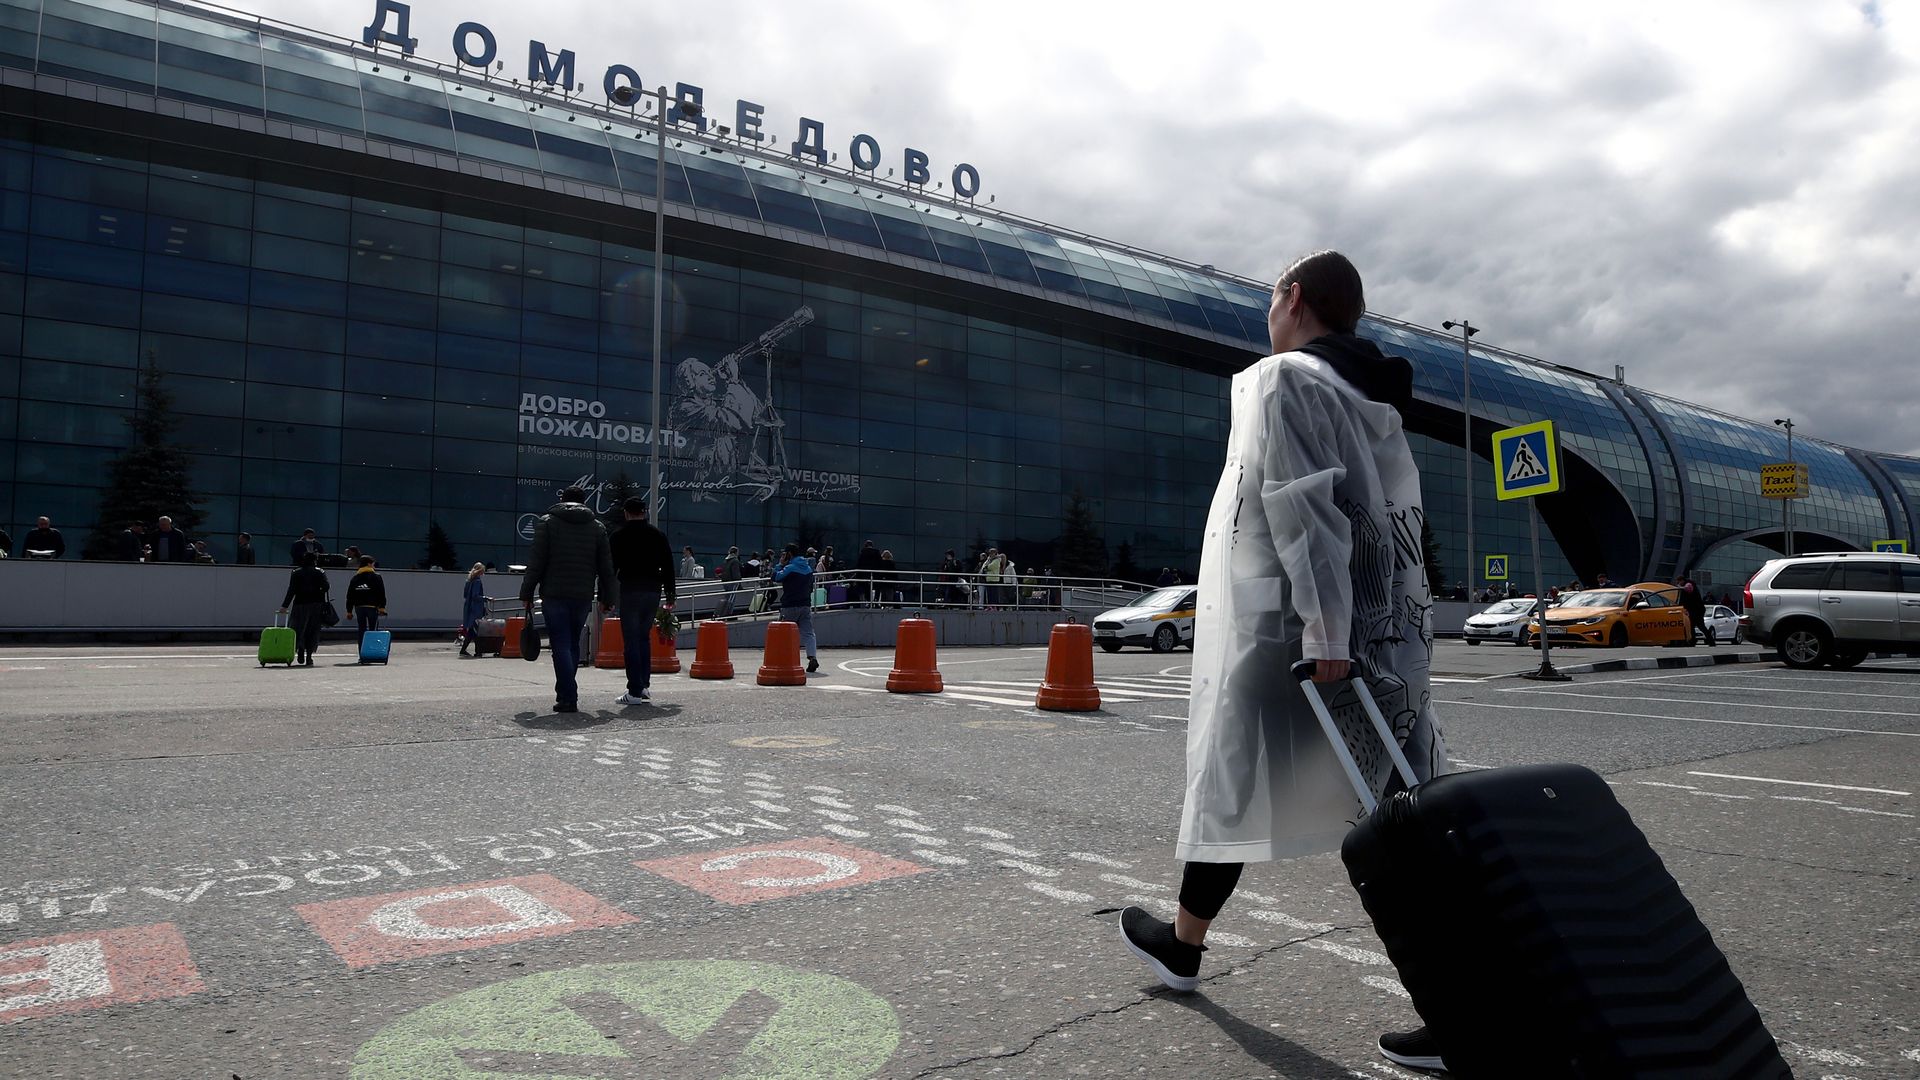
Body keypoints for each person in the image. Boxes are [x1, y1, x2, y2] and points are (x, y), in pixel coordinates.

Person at [1117, 250, 1451, 1071]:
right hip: (1374, 635)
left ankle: (1459, 1011)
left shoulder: (1288, 379)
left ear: (1294, 298)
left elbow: (1307, 511)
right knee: (1376, 803)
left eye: (1273, 298)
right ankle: (1185, 942)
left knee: (1372, 820)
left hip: (1298, 637)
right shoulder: (1371, 397)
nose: (1269, 314)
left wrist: (1326, 637)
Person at [518, 486, 615, 713]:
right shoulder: (597, 527)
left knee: (560, 644)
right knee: (572, 643)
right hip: (582, 594)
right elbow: (606, 567)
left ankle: (568, 696)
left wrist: (527, 593)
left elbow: (536, 562)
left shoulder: (547, 523)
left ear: (562, 499)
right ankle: (565, 693)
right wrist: (607, 596)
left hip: (554, 593)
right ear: (584, 502)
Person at [610, 498, 676, 705]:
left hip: (630, 589)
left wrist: (606, 596)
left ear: (626, 513)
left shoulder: (619, 536)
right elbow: (668, 565)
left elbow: (610, 568)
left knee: (631, 641)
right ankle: (644, 685)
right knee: (643, 638)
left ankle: (634, 691)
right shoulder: (657, 535)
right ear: (645, 511)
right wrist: (670, 595)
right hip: (652, 590)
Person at [278, 552, 331, 667]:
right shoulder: (320, 571)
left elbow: (291, 590)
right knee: (313, 630)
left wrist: (285, 605)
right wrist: (318, 592)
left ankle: (300, 650)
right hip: (316, 604)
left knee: (298, 628)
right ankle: (309, 656)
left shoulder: (296, 572)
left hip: (300, 604)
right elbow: (326, 586)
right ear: (315, 560)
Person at [774, 542, 820, 673]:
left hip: (789, 605)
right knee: (808, 633)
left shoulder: (790, 568)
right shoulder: (808, 568)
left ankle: (783, 660)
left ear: (789, 554)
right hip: (805, 604)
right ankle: (812, 657)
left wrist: (779, 564)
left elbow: (776, 577)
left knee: (783, 633)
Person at [347, 556, 387, 642]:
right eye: (373, 564)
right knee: (373, 629)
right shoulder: (376, 577)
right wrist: (382, 607)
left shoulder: (355, 578)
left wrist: (349, 611)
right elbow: (381, 593)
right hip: (372, 607)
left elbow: (350, 595)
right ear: (369, 564)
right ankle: (371, 647)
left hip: (359, 607)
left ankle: (362, 648)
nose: (374, 566)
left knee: (361, 629)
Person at [459, 562, 488, 657]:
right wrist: (485, 598)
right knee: (475, 629)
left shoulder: (468, 581)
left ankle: (471, 650)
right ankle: (477, 651)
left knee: (472, 629)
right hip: (475, 608)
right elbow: (475, 596)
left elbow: (465, 595)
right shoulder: (477, 581)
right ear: (480, 571)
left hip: (468, 607)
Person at [854, 540, 883, 606]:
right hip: (875, 574)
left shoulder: (863, 553)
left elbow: (859, 564)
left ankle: (869, 601)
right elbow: (880, 564)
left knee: (866, 588)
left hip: (864, 574)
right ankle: (876, 600)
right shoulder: (877, 552)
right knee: (877, 588)